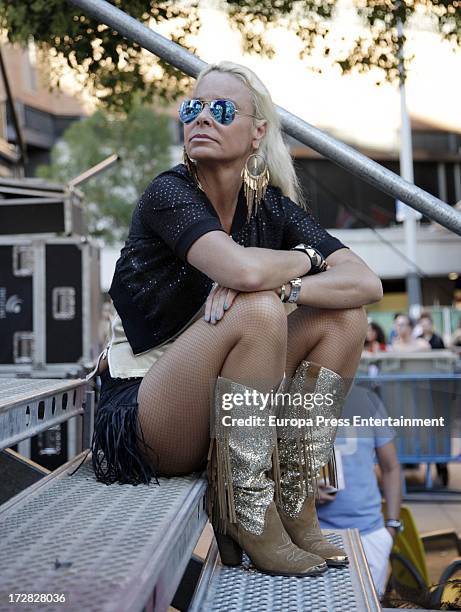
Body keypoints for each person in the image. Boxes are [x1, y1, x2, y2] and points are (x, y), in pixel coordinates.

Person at [83, 61, 383, 578]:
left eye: (220, 110)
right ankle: (244, 511)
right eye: (192, 108)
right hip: (147, 408)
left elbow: (366, 283)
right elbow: (243, 270)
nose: (202, 118)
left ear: (257, 132)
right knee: (257, 306)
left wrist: (291, 279)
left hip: (221, 412)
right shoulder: (169, 194)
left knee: (343, 318)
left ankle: (293, 501)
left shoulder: (268, 207)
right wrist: (304, 261)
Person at [317, 383, 402, 597]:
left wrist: (391, 527)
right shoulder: (294, 402)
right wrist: (302, 490)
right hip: (314, 534)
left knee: (369, 601)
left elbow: (391, 467)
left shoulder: (366, 400)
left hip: (368, 532)